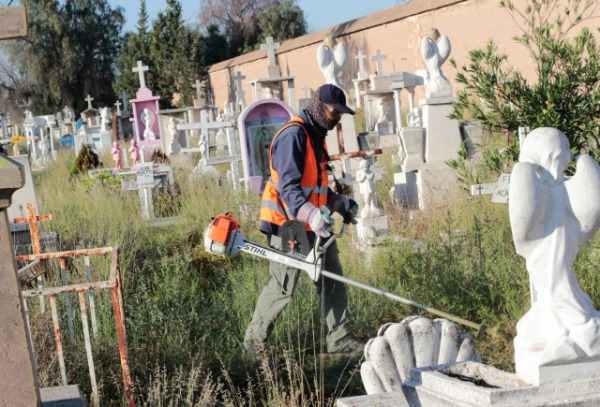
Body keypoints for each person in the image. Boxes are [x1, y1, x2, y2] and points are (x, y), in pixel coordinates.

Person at [243, 84, 362, 356]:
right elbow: (289, 188)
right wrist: (310, 213)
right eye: (334, 112)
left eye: (340, 114)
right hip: (289, 224)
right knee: (283, 285)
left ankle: (340, 340)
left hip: (315, 224)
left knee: (332, 279)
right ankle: (253, 348)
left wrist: (339, 203)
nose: (337, 118)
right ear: (319, 107)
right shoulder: (294, 135)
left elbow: (316, 188)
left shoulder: (315, 136)